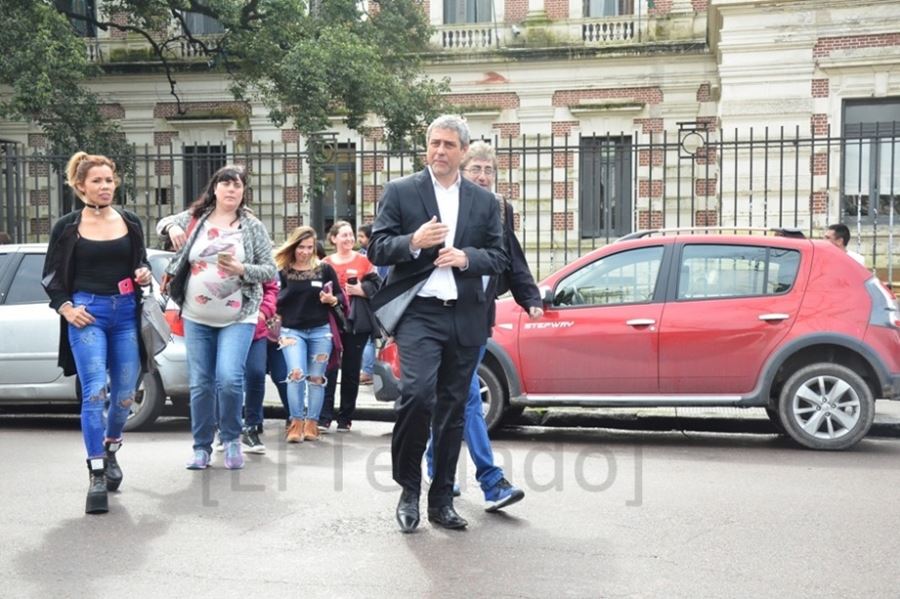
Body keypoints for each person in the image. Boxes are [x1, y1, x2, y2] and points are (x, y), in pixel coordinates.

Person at [368, 115, 507, 532]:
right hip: (420, 313)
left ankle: (441, 499)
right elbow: (377, 246)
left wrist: (466, 258)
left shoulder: (485, 203)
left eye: (449, 145)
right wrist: (413, 242)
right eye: (434, 143)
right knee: (417, 396)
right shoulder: (402, 191)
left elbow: (500, 258)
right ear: (426, 146)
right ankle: (409, 489)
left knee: (452, 410)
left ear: (464, 152)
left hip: (465, 314)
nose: (440, 151)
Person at [424, 140, 541, 512]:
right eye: (476, 169)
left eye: (489, 170)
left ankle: (433, 461)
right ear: (463, 170)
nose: (483, 176)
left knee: (460, 396)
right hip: (444, 315)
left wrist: (530, 297)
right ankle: (491, 481)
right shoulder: (452, 206)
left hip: (478, 315)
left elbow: (511, 256)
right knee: (468, 396)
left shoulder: (498, 208)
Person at [42, 151, 153, 515]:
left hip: (125, 314)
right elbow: (51, 277)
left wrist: (143, 273)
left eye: (109, 180)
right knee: (95, 392)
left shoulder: (131, 221)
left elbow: (141, 263)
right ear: (80, 186)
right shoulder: (67, 227)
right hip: (88, 313)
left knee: (124, 395)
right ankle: (97, 473)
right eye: (97, 181)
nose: (105, 186)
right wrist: (67, 308)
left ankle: (111, 445)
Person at [159, 165, 277, 471]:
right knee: (201, 383)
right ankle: (201, 447)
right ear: (215, 188)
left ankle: (232, 439)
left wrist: (242, 270)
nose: (231, 190)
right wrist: (171, 227)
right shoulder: (196, 219)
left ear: (243, 192)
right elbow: (166, 221)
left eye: (237, 186)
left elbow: (270, 270)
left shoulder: (252, 226)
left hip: (239, 316)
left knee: (228, 378)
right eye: (225, 184)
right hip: (196, 315)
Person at [273, 226, 340, 443]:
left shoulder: (324, 269)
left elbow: (338, 294)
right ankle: (295, 422)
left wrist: (332, 299)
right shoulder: (282, 270)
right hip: (292, 330)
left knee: (317, 378)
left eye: (310, 247)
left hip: (320, 330)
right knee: (295, 374)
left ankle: (312, 423)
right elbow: (273, 297)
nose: (305, 251)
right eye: (301, 247)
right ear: (293, 246)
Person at [320, 220, 381, 431]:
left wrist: (361, 290)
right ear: (333, 238)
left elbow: (377, 288)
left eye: (351, 235)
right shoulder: (325, 263)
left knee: (351, 370)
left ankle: (345, 417)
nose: (349, 239)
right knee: (329, 368)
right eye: (343, 235)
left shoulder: (365, 262)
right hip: (331, 322)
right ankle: (324, 415)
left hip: (357, 322)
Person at [240, 278, 279, 454]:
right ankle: (224, 429)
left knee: (256, 373)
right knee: (226, 378)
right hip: (224, 324)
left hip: (256, 326)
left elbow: (271, 289)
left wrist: (264, 311)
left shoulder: (258, 254)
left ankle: (251, 427)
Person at [357, 224, 376, 386]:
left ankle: (368, 371)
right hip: (373, 298)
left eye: (362, 236)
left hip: (371, 300)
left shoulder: (369, 256)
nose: (358, 239)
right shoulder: (365, 255)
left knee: (369, 339)